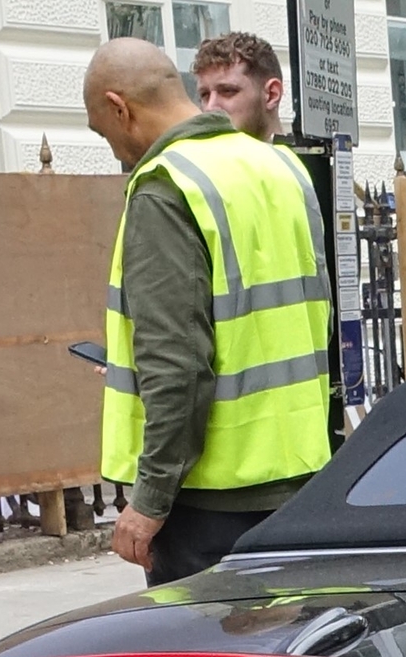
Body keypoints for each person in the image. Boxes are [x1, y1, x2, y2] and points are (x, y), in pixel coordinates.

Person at [82, 37, 331, 585]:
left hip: (211, 507)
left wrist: (148, 502)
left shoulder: (166, 186)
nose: (118, 151)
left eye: (106, 133)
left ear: (120, 107)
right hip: (301, 480)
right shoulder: (282, 170)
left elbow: (178, 364)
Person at [191, 32, 285, 142]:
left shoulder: (299, 158)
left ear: (272, 94)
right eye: (205, 95)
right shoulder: (197, 157)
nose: (210, 107)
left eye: (227, 91)